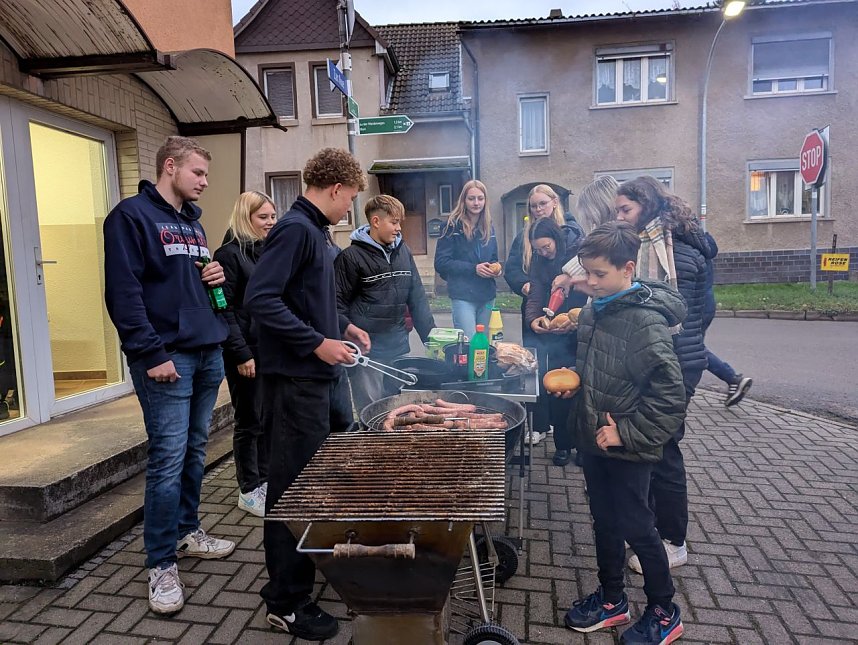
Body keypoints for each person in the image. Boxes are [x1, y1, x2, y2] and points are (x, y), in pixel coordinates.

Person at [103, 136, 235, 615]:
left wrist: (214, 278)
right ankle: (160, 563)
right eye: (198, 172)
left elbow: (187, 283)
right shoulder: (131, 216)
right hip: (166, 358)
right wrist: (149, 351)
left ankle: (186, 531)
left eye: (206, 174)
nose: (205, 182)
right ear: (171, 166)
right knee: (167, 458)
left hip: (206, 350)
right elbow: (123, 292)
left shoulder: (193, 223)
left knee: (196, 449)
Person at [243, 148, 369, 641]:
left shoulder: (315, 232)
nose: (350, 207)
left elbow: (305, 300)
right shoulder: (295, 229)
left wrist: (343, 327)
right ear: (335, 188)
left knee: (315, 483)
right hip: (295, 382)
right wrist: (317, 343)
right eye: (350, 198)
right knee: (293, 490)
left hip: (317, 379)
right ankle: (285, 602)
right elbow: (260, 299)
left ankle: (306, 570)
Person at [562, 221, 687, 645]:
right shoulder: (595, 310)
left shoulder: (644, 322)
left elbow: (670, 396)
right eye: (587, 272)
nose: (591, 281)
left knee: (637, 525)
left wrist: (628, 434)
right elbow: (599, 366)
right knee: (604, 520)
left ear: (628, 268)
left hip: (628, 446)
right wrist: (576, 387)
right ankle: (613, 599)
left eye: (600, 274)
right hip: (594, 439)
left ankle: (664, 611)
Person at [614, 176, 714, 575]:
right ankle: (652, 528)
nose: (620, 217)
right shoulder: (661, 244)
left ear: (647, 205)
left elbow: (682, 310)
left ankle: (674, 541)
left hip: (674, 364)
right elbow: (708, 310)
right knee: (652, 446)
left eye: (626, 210)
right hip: (664, 359)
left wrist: (679, 347)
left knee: (665, 449)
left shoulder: (673, 253)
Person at [335, 195, 435, 413]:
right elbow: (337, 305)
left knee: (399, 411)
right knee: (371, 411)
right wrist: (347, 339)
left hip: (398, 347)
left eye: (400, 223)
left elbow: (417, 297)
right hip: (367, 353)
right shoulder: (350, 258)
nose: (399, 228)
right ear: (376, 222)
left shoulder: (403, 252)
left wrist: (431, 339)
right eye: (394, 222)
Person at [213, 191, 277, 517]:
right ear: (245, 217)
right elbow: (223, 308)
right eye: (263, 217)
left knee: (265, 419)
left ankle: (264, 480)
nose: (270, 222)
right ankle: (249, 489)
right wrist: (240, 354)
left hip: (268, 350)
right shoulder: (229, 255)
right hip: (245, 353)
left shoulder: (266, 252)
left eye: (273, 216)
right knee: (249, 421)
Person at [505, 184, 580, 445]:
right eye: (533, 206)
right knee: (535, 369)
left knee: (565, 374)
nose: (538, 209)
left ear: (554, 202)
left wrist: (572, 317)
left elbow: (587, 278)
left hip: (569, 320)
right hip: (539, 313)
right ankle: (539, 425)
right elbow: (520, 274)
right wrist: (532, 316)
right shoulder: (528, 242)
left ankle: (568, 436)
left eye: (542, 204)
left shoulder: (573, 235)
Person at [523, 218, 587, 466]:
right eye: (538, 249)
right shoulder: (539, 261)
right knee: (559, 388)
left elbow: (594, 285)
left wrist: (578, 319)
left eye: (546, 247)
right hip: (556, 335)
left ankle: (583, 446)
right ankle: (562, 445)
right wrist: (533, 320)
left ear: (557, 239)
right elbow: (536, 292)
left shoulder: (579, 250)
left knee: (583, 390)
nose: (543, 253)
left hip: (583, 330)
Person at [434, 180, 499, 340]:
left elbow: (493, 258)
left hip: (487, 295)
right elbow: (441, 263)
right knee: (468, 344)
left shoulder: (489, 227)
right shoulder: (451, 226)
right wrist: (473, 269)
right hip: (463, 295)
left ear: (485, 200)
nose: (476, 203)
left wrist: (496, 268)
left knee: (485, 345)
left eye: (480, 198)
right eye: (471, 198)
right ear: (463, 200)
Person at [700, 233, 753, 407]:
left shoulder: (685, 244)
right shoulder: (702, 242)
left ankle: (733, 379)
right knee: (690, 349)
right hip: (706, 302)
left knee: (690, 349)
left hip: (695, 305)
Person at [552, 176, 620, 296]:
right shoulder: (604, 231)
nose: (592, 222)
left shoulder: (622, 236)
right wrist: (569, 274)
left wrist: (570, 275)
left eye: (592, 218)